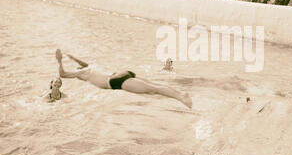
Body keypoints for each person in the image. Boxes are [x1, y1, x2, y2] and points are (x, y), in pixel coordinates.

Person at [55, 49, 192, 108]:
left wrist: (59, 61)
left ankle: (181, 97)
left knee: (154, 89)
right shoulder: (90, 68)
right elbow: (84, 64)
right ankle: (179, 93)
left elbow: (64, 74)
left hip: (116, 81)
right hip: (123, 73)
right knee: (153, 86)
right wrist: (72, 58)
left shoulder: (84, 73)